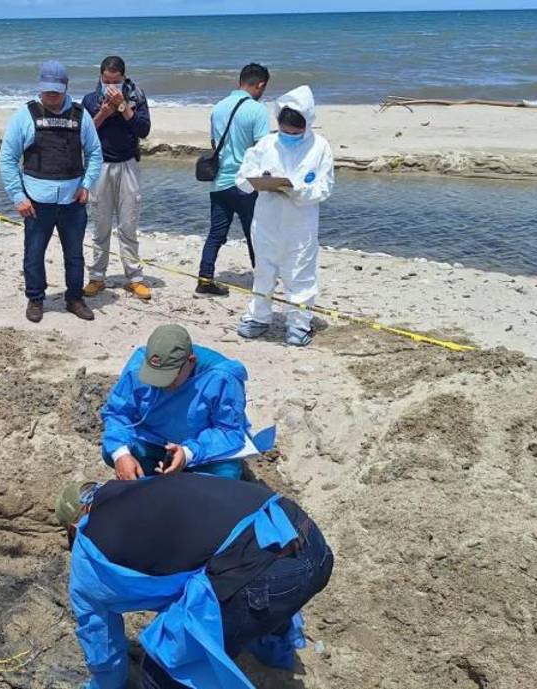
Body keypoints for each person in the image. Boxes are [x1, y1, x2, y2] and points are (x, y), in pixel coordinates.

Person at [58, 473, 333, 689]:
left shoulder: (86, 554)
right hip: (306, 537)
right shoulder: (144, 488)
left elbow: (101, 642)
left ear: (73, 528)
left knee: (163, 670)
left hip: (264, 578)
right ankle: (276, 651)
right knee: (228, 575)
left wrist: (104, 685)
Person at [0, 60, 103, 323]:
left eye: (56, 91)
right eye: (47, 91)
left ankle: (74, 298)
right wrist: (18, 196)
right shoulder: (25, 116)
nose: (52, 96)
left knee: (75, 254)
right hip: (36, 201)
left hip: (72, 201)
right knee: (34, 253)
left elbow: (94, 153)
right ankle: (35, 299)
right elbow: (7, 159)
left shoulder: (81, 116)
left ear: (66, 87)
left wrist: (87, 185)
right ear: (40, 87)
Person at [100, 324, 273, 481]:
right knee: (114, 453)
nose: (161, 384)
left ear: (190, 362)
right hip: (153, 441)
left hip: (201, 450)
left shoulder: (222, 377)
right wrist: (120, 454)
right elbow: (117, 412)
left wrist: (187, 453)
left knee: (225, 477)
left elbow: (229, 431)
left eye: (169, 378)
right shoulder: (138, 366)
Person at [235, 85, 335, 347]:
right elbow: (243, 178)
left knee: (300, 274)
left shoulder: (319, 147)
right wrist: (259, 182)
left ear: (307, 124)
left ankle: (299, 323)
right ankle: (258, 317)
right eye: (285, 130)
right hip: (267, 220)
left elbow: (323, 188)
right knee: (263, 271)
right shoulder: (267, 144)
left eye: (295, 132)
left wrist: (296, 189)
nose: (289, 135)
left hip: (300, 225)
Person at [81, 56, 152, 301]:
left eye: (116, 81)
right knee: (100, 224)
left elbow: (143, 129)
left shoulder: (137, 97)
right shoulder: (90, 100)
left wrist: (122, 107)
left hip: (128, 165)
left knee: (128, 224)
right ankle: (97, 276)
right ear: (100, 77)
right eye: (106, 80)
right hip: (100, 166)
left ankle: (134, 277)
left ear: (124, 78)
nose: (111, 86)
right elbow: (84, 133)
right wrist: (103, 112)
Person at [196, 63, 271, 297]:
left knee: (216, 234)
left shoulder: (218, 108)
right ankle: (262, 280)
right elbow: (263, 148)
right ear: (260, 85)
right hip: (245, 183)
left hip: (219, 182)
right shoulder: (257, 110)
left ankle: (205, 279)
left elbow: (214, 144)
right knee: (255, 233)